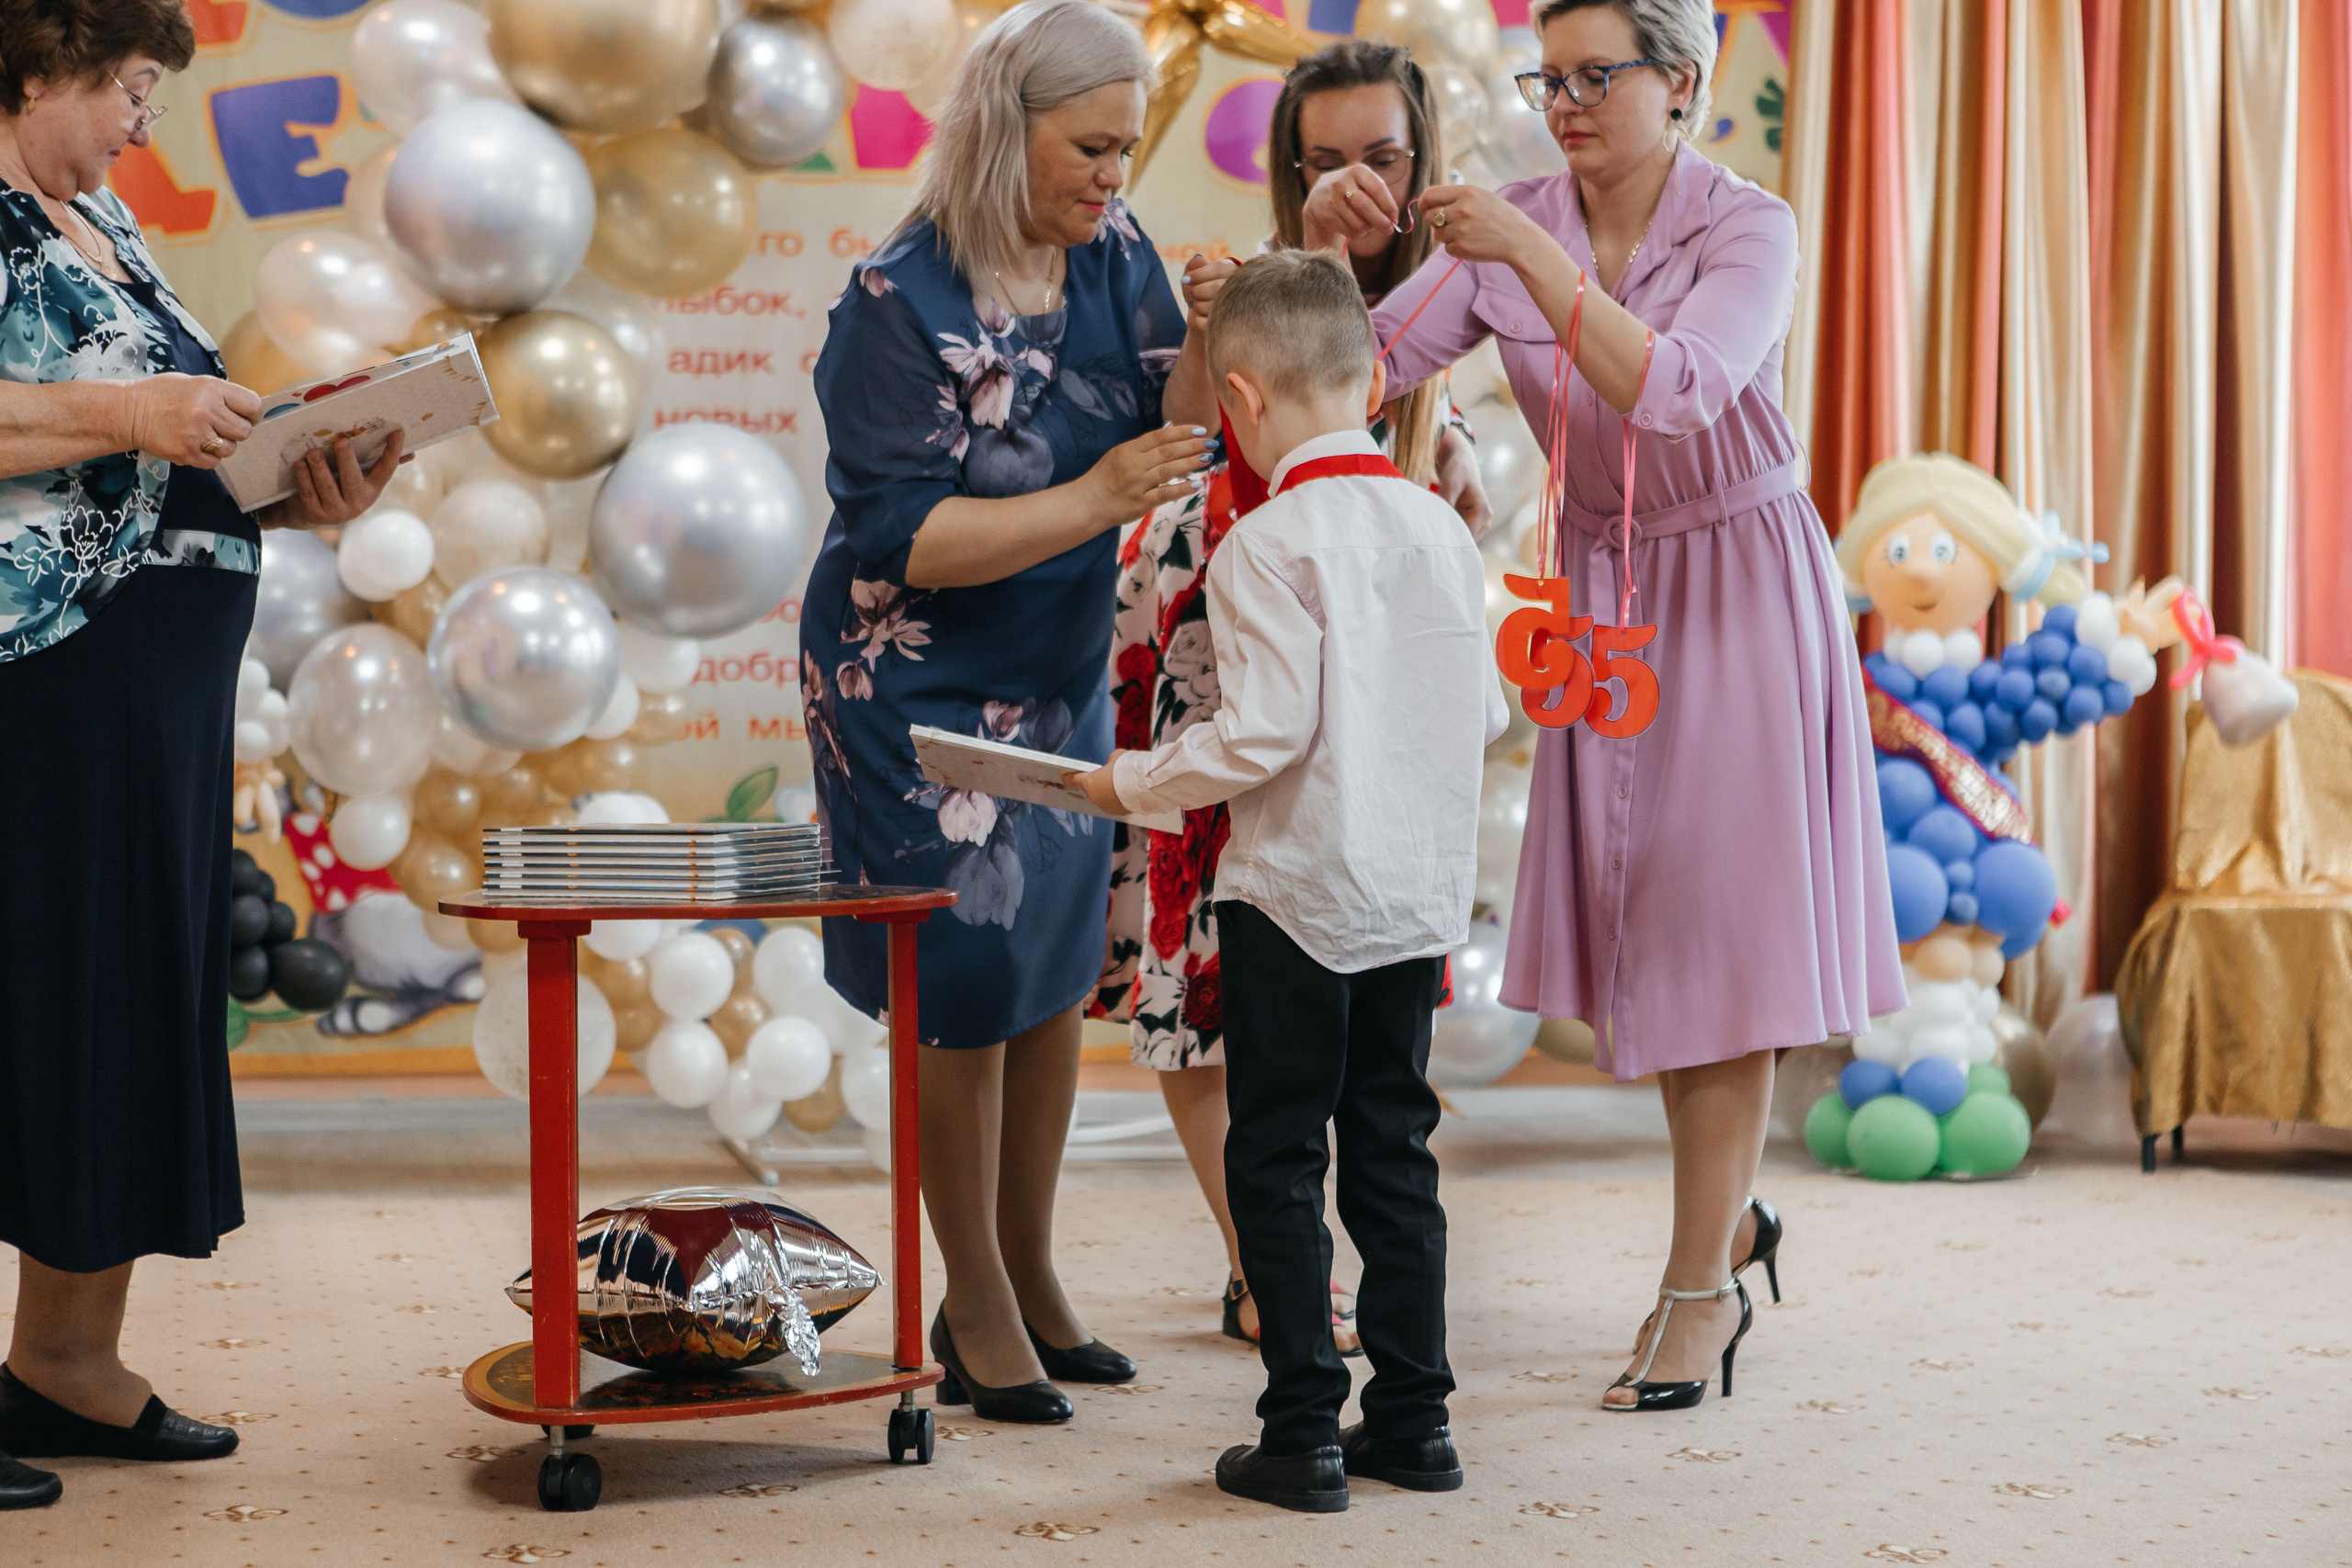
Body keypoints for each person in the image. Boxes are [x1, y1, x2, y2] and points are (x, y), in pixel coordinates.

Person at [1367, 0, 1903, 1413]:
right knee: (1655, 937)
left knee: (1717, 937)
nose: (1568, 102)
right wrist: (1323, 248)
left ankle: (1696, 1294)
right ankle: (1729, 1226)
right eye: (1552, 78)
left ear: (1682, 83)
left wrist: (1526, 257)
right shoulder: (1516, 220)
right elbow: (1365, 367)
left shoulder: (1749, 226)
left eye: (1599, 75)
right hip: (1603, 601)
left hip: (1736, 577)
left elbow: (1676, 392)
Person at [0, 0, 402, 1511]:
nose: (141, 120)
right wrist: (135, 407)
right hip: (33, 670)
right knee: (28, 998)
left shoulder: (101, 220)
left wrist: (303, 489)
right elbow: (103, 425)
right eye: (126, 86)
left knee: (114, 1000)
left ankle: (64, 1362)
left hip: (150, 693)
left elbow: (163, 460)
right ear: (38, 60)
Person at [801, 0, 1216, 1426]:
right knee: (961, 994)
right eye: (1093, 146)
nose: (1117, 174)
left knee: (1046, 980)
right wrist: (1097, 500)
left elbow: (1180, 417)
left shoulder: (1117, 250)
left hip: (1055, 665)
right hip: (906, 674)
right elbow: (897, 541)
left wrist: (1214, 335)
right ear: (1005, 128)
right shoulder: (895, 300)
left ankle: (1031, 1279)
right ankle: (970, 1301)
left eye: (1131, 146)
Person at [1070, 249, 1507, 1514]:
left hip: (1295, 898)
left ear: (1242, 404)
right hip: (1411, 898)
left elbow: (1258, 737)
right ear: (1376, 380)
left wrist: (1130, 785)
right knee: (1395, 1149)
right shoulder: (1438, 528)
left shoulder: (1263, 545)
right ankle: (1418, 1422)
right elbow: (1478, 714)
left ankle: (1303, 1429)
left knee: (1274, 1152)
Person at [1090, 36, 1489, 1355]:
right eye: (1324, 161)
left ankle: (1316, 1389)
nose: (1355, 183)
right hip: (1212, 637)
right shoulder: (1240, 292)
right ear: (1289, 169)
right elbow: (1193, 431)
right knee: (1207, 981)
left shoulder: (1454, 308)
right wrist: (1260, 286)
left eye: (1380, 156)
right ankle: (1276, 1278)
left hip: (1349, 737)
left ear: (1423, 160)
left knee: (1342, 1077)